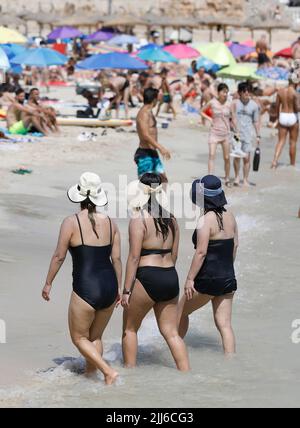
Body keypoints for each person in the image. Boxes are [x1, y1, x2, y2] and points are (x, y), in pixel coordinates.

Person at [42, 172, 122, 385]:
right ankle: (91, 377)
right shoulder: (111, 224)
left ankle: (107, 371)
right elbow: (117, 259)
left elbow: (59, 256)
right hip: (109, 286)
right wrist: (119, 290)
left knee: (79, 338)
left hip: (86, 288)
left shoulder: (71, 222)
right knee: (95, 338)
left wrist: (48, 283)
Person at [121, 173, 190, 372]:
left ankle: (129, 379)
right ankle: (186, 373)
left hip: (146, 276)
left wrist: (126, 291)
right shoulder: (172, 219)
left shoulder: (138, 219)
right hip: (169, 276)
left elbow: (134, 258)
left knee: (130, 329)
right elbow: (174, 255)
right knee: (171, 333)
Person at [178, 175, 238, 355]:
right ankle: (230, 363)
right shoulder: (231, 216)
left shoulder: (206, 220)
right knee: (225, 325)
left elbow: (201, 252)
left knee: (179, 313)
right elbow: (235, 245)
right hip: (228, 277)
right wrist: (226, 270)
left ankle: (176, 352)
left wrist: (189, 279)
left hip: (207, 279)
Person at [135, 88, 171, 183]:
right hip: (145, 154)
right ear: (154, 99)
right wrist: (161, 148)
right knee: (146, 185)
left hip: (152, 152)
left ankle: (157, 198)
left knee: (163, 181)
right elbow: (145, 134)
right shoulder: (144, 113)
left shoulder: (149, 111)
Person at [200, 83, 232, 187]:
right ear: (218, 92)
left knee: (227, 157)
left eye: (227, 92)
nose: (225, 94)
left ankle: (227, 178)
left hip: (226, 134)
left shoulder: (229, 103)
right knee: (212, 155)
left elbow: (233, 117)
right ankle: (210, 179)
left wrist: (236, 131)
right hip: (214, 133)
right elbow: (201, 111)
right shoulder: (212, 102)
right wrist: (209, 119)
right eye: (224, 92)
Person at [231, 82, 261, 187]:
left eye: (248, 90)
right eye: (244, 91)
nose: (247, 93)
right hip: (236, 134)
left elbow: (256, 121)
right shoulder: (235, 103)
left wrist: (258, 135)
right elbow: (232, 117)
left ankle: (245, 179)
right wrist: (235, 129)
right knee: (237, 156)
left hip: (248, 134)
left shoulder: (254, 105)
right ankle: (236, 177)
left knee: (247, 158)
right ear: (239, 92)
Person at [271, 73, 299, 169]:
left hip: (283, 116)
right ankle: (292, 165)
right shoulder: (295, 93)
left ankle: (274, 161)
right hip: (292, 117)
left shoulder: (280, 92)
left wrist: (278, 119)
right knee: (293, 142)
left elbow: (277, 106)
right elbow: (297, 108)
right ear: (296, 82)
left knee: (281, 141)